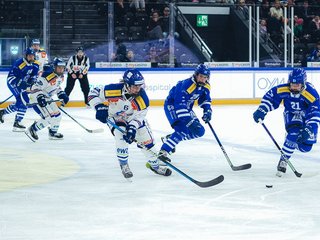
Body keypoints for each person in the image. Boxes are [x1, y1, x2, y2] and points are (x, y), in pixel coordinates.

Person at [88, 69, 172, 179]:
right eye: (135, 86)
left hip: (134, 119)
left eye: (139, 86)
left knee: (147, 142)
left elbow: (139, 116)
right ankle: (124, 165)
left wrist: (132, 128)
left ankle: (154, 166)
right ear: (127, 84)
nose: (138, 89)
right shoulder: (113, 90)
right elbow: (92, 93)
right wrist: (99, 107)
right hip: (116, 117)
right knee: (120, 135)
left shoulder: (143, 99)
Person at [253, 68, 320, 177]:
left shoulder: (311, 94)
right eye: (292, 84)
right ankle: (283, 160)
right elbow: (270, 98)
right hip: (292, 114)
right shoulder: (283, 89)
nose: (293, 87)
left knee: (306, 147)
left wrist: (309, 129)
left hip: (306, 117)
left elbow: (315, 114)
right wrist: (262, 109)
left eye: (297, 85)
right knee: (293, 133)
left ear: (303, 84)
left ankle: (292, 141)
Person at [159, 63, 212, 156]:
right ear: (196, 75)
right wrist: (188, 121)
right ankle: (164, 152)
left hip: (186, 108)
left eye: (205, 77)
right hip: (172, 106)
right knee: (183, 129)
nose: (203, 79)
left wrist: (207, 110)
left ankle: (171, 138)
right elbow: (179, 104)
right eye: (201, 76)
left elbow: (205, 99)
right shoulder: (186, 85)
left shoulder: (206, 86)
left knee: (199, 131)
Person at [24, 58, 69, 142]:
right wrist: (40, 97)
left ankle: (52, 132)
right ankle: (32, 129)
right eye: (59, 67)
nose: (61, 69)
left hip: (47, 98)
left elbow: (56, 87)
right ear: (54, 67)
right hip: (37, 98)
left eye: (63, 67)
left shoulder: (61, 77)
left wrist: (62, 94)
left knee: (58, 115)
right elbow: (35, 88)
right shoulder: (47, 76)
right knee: (49, 118)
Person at [0, 47, 39, 131]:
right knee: (24, 101)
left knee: (20, 103)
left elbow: (34, 76)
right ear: (25, 56)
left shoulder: (35, 64)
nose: (31, 57)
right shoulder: (19, 63)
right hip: (13, 83)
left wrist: (31, 82)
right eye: (29, 56)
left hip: (23, 84)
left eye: (32, 56)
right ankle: (17, 123)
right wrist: (20, 83)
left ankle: (3, 112)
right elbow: (11, 77)